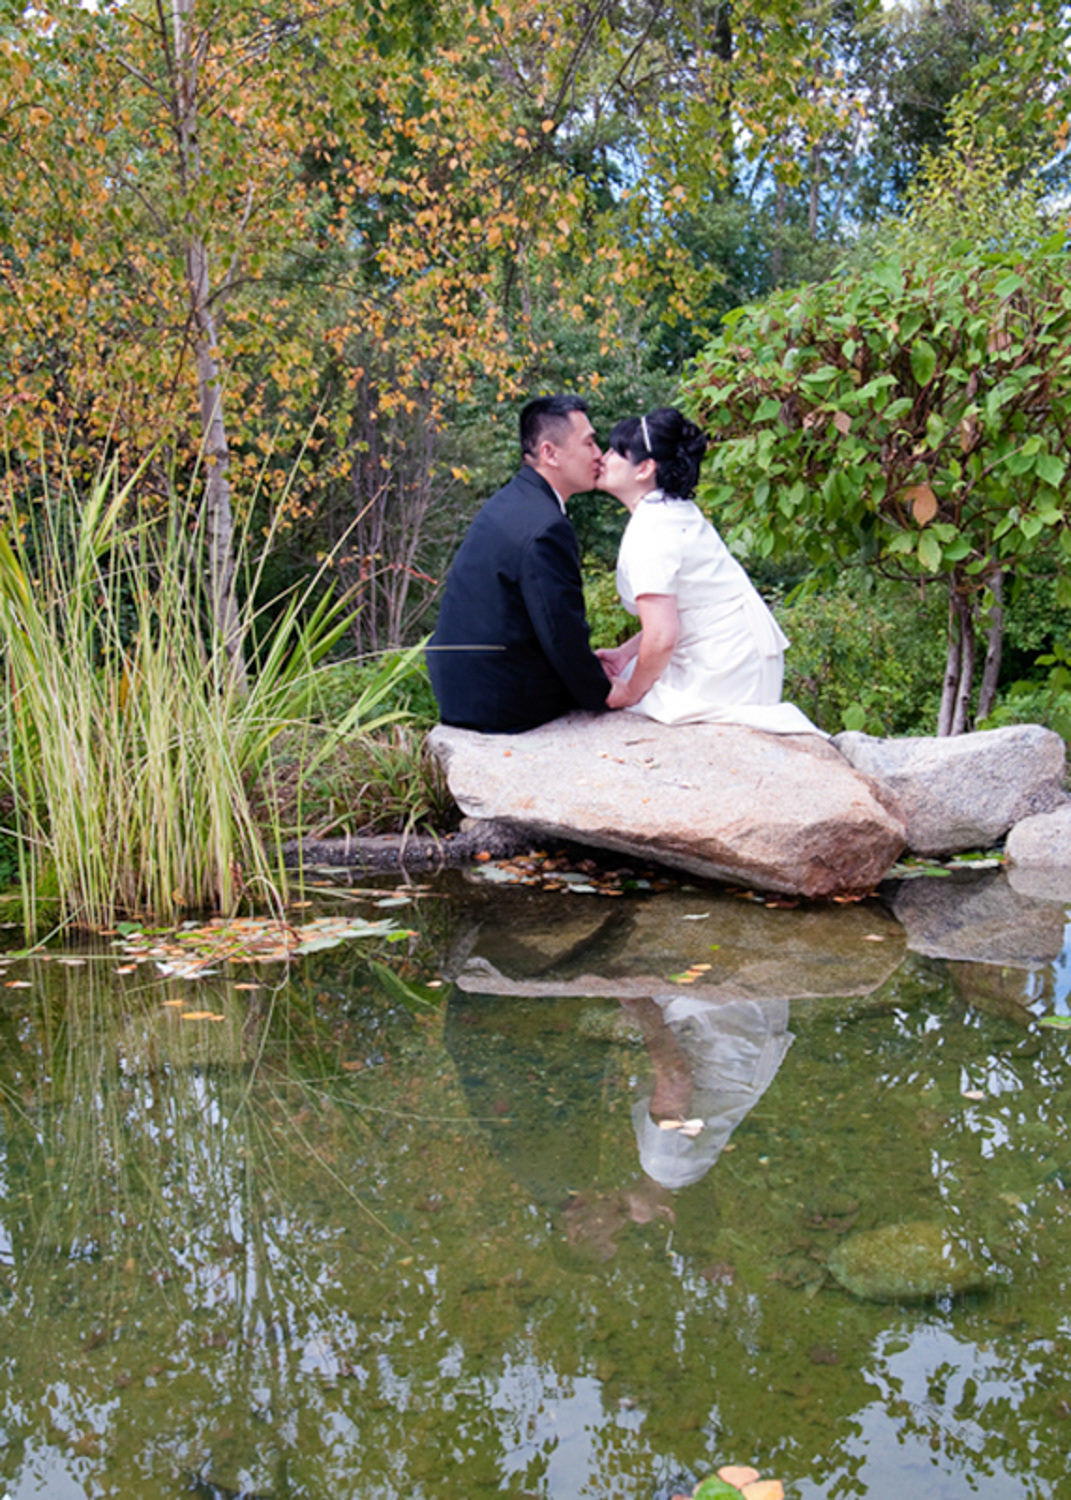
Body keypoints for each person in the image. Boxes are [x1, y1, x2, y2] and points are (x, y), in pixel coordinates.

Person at [596, 405, 821, 733]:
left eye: (616, 451)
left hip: (726, 664)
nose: (603, 457)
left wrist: (630, 692)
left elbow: (661, 636)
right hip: (736, 651)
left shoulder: (652, 527)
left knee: (629, 701)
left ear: (644, 468)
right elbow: (677, 611)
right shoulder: (670, 511)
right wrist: (623, 656)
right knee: (630, 678)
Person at [427, 394, 611, 733]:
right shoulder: (546, 526)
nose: (599, 455)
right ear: (549, 453)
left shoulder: (512, 502)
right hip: (502, 702)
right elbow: (560, 631)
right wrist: (603, 691)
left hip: (465, 688)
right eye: (589, 443)